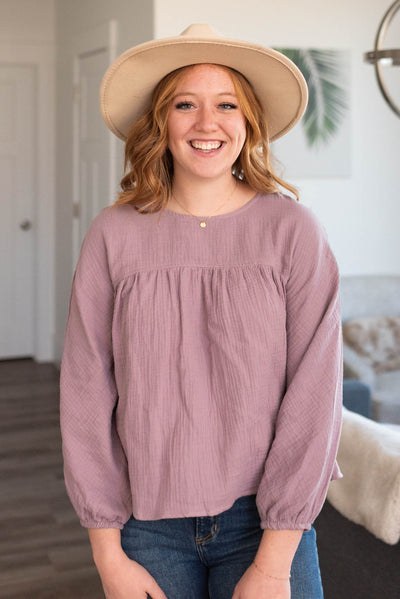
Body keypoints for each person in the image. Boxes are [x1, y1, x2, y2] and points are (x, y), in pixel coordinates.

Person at [60, 24, 343, 599]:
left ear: (249, 123)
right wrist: (107, 555)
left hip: (264, 525)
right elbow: (86, 391)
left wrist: (272, 562)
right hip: (147, 525)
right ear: (161, 123)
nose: (206, 122)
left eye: (226, 105)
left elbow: (316, 394)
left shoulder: (292, 231)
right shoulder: (114, 234)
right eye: (185, 104)